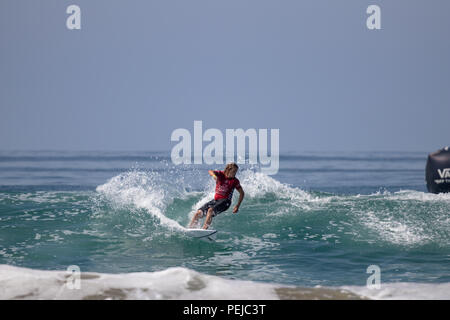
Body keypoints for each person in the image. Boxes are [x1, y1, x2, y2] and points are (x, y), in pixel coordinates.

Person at [189, 162, 245, 230]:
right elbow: (210, 171)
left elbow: (242, 193)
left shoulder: (235, 181)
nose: (235, 174)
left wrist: (237, 206)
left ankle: (204, 229)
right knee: (198, 213)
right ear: (228, 170)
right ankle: (191, 229)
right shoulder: (221, 174)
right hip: (216, 200)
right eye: (233, 171)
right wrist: (214, 176)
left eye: (236, 172)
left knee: (210, 210)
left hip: (225, 202)